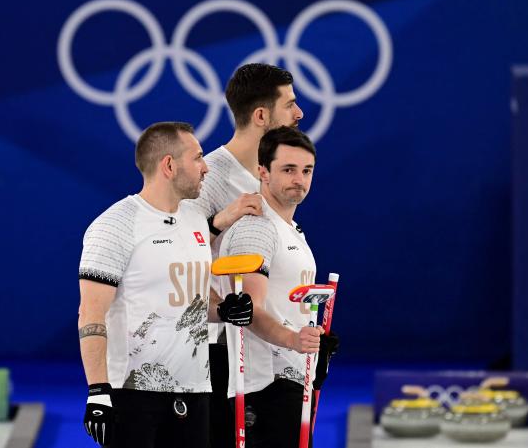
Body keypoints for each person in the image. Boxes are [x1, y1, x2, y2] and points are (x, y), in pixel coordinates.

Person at [77, 122, 253, 448]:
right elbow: (90, 313)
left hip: (196, 389)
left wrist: (226, 310)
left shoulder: (195, 220)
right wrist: (98, 391)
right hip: (133, 394)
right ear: (169, 166)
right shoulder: (115, 225)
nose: (206, 168)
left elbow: (192, 303)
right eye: (198, 158)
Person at [191, 63, 306, 448]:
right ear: (261, 116)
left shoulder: (272, 172)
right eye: (289, 104)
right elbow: (170, 256)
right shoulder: (207, 178)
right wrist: (218, 221)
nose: (299, 113)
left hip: (266, 348)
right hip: (217, 354)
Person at [219, 126, 337, 448]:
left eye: (306, 170)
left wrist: (313, 344)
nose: (299, 179)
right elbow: (249, 310)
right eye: (288, 169)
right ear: (263, 172)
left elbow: (287, 307)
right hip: (267, 387)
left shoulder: (291, 230)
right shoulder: (257, 229)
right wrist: (293, 339)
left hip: (293, 381)